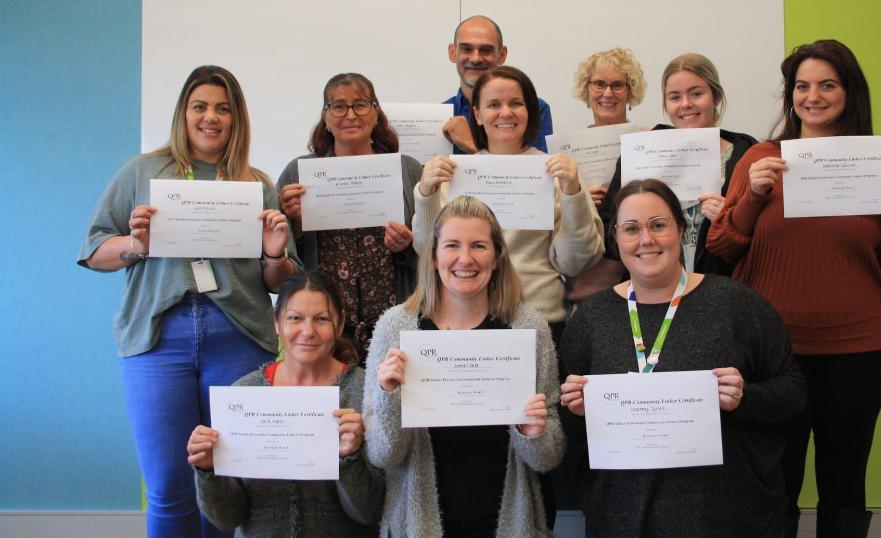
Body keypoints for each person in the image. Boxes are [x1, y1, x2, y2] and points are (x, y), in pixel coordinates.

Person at [706, 39, 881, 537]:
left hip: (858, 349)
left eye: (827, 84)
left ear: (849, 92)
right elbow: (723, 246)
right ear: (791, 95)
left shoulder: (874, 163)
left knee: (844, 483)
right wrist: (754, 198)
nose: (813, 96)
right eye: (802, 86)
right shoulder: (761, 159)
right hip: (774, 353)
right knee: (774, 482)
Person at [78, 65, 299, 538]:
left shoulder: (255, 184)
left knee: (225, 486)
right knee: (168, 488)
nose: (211, 117)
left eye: (223, 108)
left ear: (237, 119)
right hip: (158, 340)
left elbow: (279, 279)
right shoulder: (141, 172)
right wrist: (138, 242)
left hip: (238, 337)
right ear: (183, 113)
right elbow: (94, 251)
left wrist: (275, 252)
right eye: (200, 106)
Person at [559, 179, 806, 537]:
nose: (646, 239)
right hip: (623, 517)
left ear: (680, 228)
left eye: (658, 225)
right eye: (631, 229)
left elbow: (794, 391)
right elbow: (571, 426)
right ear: (615, 238)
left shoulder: (736, 304)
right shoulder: (591, 318)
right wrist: (576, 409)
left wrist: (744, 398)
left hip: (729, 514)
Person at [364, 196, 565, 536]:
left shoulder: (528, 327)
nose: (465, 259)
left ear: (497, 256)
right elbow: (383, 456)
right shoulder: (395, 329)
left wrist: (533, 433)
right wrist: (387, 395)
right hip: (419, 525)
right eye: (452, 245)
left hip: (506, 523)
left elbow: (548, 457)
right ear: (433, 255)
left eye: (479, 246)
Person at [187, 271, 384, 537]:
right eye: (295, 318)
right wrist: (209, 470)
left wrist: (350, 458)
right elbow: (227, 518)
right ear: (277, 323)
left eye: (321, 319)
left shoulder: (366, 392)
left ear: (339, 325)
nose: (308, 331)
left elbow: (369, 513)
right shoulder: (244, 393)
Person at [416, 65, 604, 343]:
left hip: (540, 320)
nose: (506, 112)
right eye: (494, 104)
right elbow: (427, 253)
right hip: (462, 322)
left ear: (529, 112)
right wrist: (426, 195)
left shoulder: (557, 174)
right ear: (477, 115)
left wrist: (572, 194)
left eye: (516, 103)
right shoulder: (452, 176)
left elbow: (574, 263)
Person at [277, 73, 423, 356]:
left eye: (360, 104)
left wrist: (408, 247)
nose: (350, 115)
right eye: (339, 106)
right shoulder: (298, 173)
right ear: (326, 117)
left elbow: (436, 249)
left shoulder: (409, 171)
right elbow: (277, 259)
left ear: (376, 112)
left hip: (393, 316)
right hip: (322, 320)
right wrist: (293, 224)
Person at [606, 53, 757, 276]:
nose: (686, 104)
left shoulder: (747, 154)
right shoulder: (643, 150)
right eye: (674, 97)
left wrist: (731, 219)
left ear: (715, 97)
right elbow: (611, 227)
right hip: (651, 286)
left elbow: (765, 238)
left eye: (696, 93)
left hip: (722, 285)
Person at [442, 15, 553, 154]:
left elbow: (536, 171)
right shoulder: (439, 115)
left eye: (486, 50)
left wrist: (470, 145)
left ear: (501, 55)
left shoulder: (535, 108)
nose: (476, 58)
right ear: (453, 53)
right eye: (467, 49)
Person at [571, 47, 648, 208]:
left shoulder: (648, 140)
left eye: (617, 85)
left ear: (630, 91)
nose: (607, 93)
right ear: (587, 88)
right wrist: (578, 197)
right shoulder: (570, 150)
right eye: (599, 84)